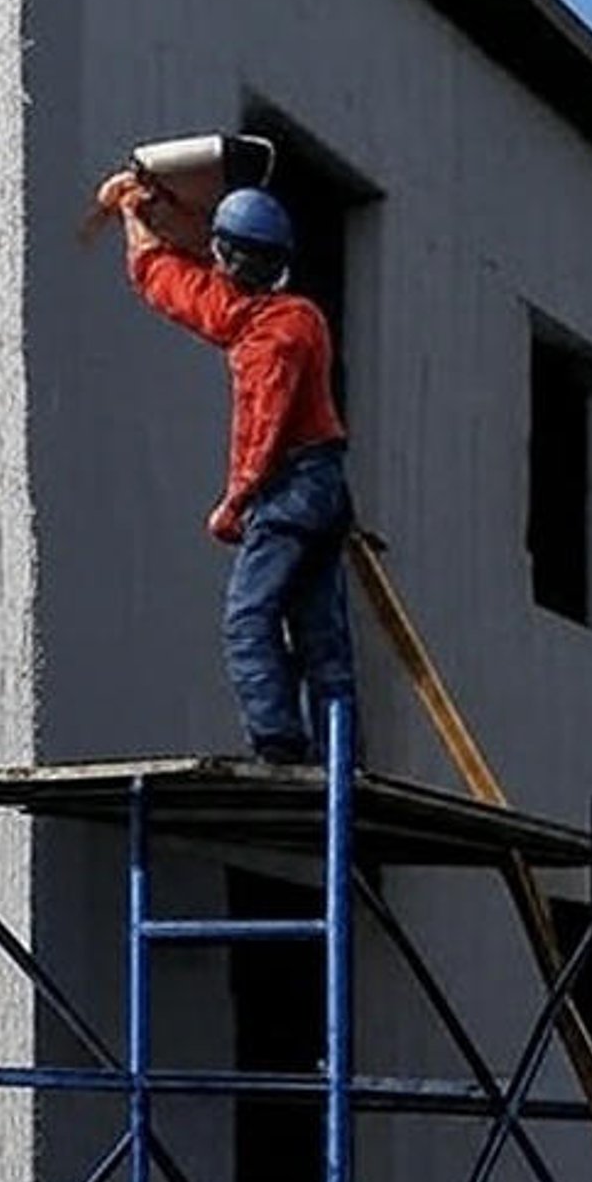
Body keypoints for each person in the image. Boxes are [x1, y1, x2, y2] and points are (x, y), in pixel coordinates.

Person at [99, 169, 357, 763]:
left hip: (291, 488)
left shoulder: (273, 337)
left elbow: (260, 431)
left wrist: (235, 501)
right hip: (321, 487)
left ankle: (279, 745)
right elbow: (168, 280)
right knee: (323, 639)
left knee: (249, 618)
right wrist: (134, 217)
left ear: (230, 256)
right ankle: (342, 756)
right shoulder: (279, 315)